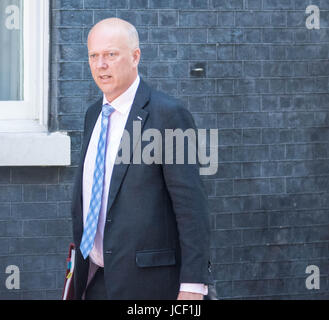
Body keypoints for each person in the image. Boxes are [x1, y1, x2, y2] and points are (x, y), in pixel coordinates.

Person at [70, 17, 211, 300]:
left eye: (111, 54)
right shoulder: (92, 115)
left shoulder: (168, 115)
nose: (101, 64)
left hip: (149, 285)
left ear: (135, 56)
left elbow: (191, 208)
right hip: (94, 279)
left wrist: (193, 286)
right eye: (94, 56)